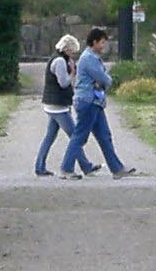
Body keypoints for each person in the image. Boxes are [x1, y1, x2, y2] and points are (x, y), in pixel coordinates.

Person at [69, 24, 130, 177]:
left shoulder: (93, 58)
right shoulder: (89, 58)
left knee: (104, 136)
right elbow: (105, 78)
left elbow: (102, 79)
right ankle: (66, 168)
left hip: (95, 102)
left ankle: (117, 169)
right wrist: (103, 81)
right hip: (88, 101)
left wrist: (101, 82)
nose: (104, 46)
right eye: (102, 42)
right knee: (80, 136)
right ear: (94, 42)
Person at [34, 33, 94, 177]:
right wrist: (72, 72)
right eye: (72, 50)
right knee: (75, 136)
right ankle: (84, 166)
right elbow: (64, 83)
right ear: (67, 48)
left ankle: (40, 167)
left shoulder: (55, 59)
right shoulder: (60, 61)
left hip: (52, 105)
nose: (72, 53)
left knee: (50, 137)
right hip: (58, 106)